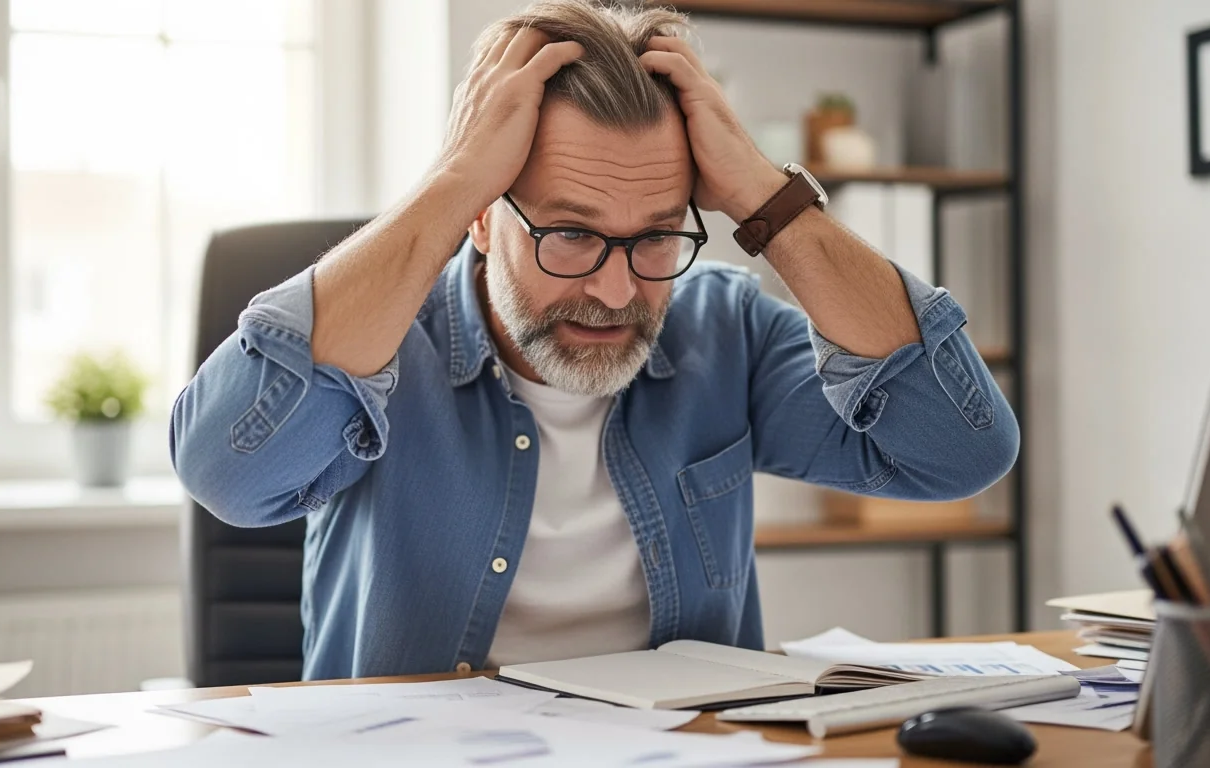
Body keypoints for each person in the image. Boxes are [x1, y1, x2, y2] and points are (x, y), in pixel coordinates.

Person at [170, 0, 1019, 681]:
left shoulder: (725, 330)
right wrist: (452, 182)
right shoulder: (382, 345)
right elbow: (225, 474)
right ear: (481, 218)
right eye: (570, 235)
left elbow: (961, 451)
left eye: (656, 237)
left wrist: (768, 196)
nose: (616, 294)